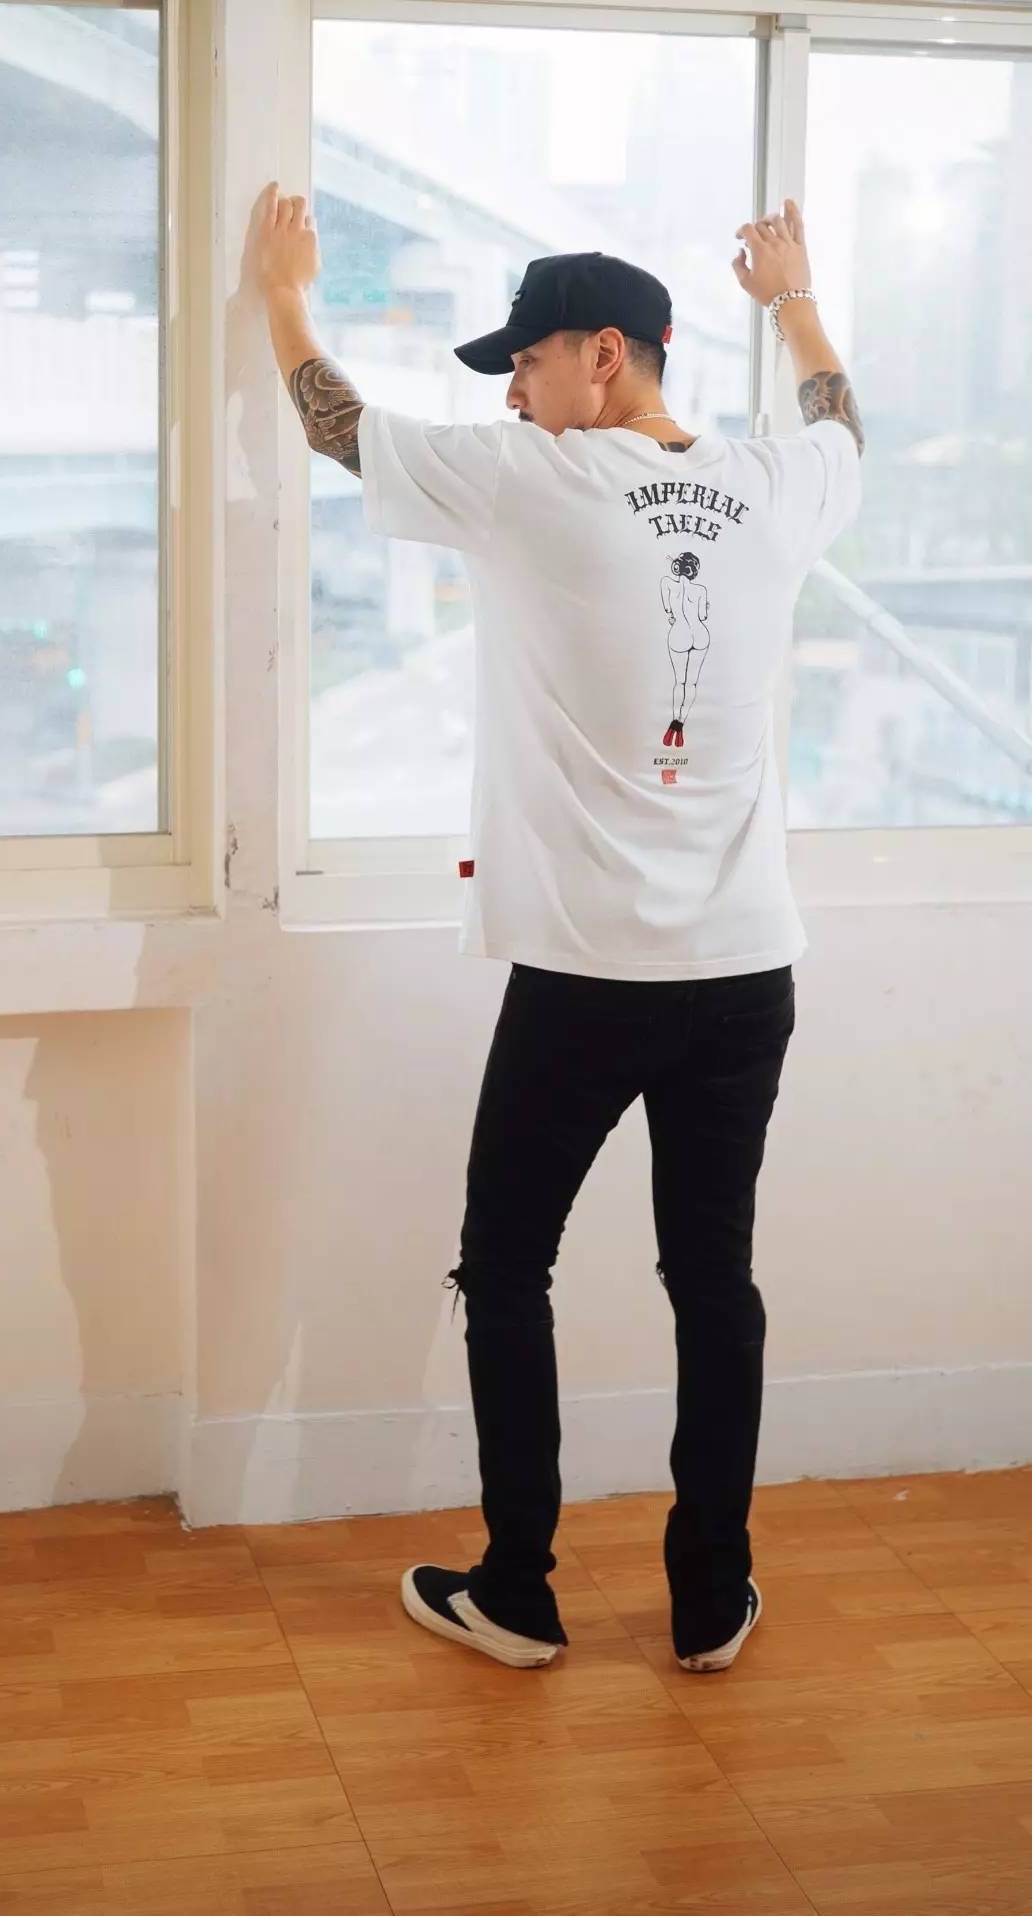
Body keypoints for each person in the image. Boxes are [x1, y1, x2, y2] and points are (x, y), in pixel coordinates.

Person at [249, 184, 864, 1674]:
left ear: (606, 356)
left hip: (590, 979)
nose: (512, 394)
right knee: (713, 1281)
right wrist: (792, 297)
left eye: (525, 362)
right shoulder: (771, 486)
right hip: (746, 973)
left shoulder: (535, 481)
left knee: (506, 1263)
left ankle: (519, 1590)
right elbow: (844, 426)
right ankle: (710, 1598)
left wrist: (281, 296)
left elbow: (340, 429)